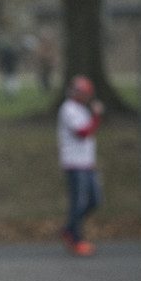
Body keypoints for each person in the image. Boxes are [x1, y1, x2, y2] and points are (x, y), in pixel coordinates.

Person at [57, 75, 104, 256]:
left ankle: (68, 229)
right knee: (77, 202)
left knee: (95, 200)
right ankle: (76, 239)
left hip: (87, 163)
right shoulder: (68, 109)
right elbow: (82, 132)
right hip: (74, 163)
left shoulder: (81, 109)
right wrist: (97, 116)